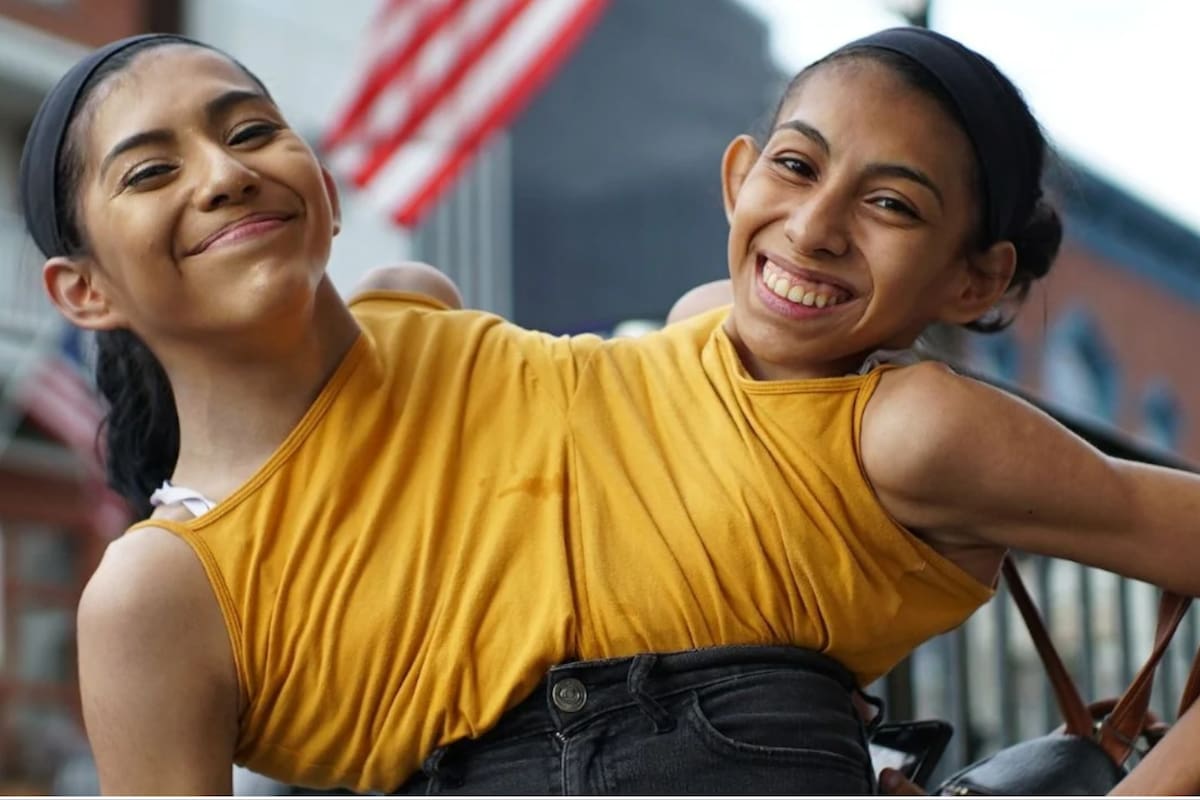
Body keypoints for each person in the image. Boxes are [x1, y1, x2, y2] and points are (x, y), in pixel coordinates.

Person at [20, 27, 1200, 796]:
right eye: (150, 169)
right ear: (82, 289)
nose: (223, 172)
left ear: (322, 186)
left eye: (247, 130)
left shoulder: (435, 316)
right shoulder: (159, 593)